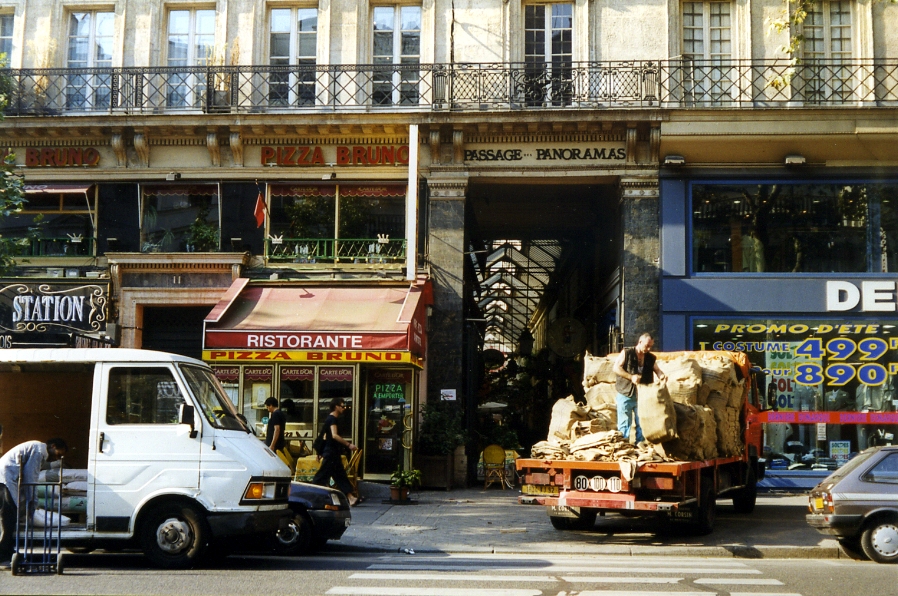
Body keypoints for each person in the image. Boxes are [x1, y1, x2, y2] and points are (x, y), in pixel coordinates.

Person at [0, 438, 68, 568]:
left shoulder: (36, 448)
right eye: (58, 454)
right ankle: (3, 556)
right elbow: (31, 477)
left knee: (10, 518)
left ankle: (8, 553)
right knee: (8, 519)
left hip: (6, 479)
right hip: (4, 479)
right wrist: (33, 502)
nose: (56, 459)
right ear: (53, 446)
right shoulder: (39, 451)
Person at [612, 333, 666, 444]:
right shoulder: (627, 353)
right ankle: (624, 444)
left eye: (650, 346)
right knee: (624, 422)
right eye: (647, 346)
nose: (648, 348)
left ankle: (639, 444)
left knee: (641, 421)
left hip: (642, 395)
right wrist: (630, 377)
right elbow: (616, 368)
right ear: (640, 342)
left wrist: (662, 376)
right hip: (625, 393)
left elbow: (658, 370)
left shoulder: (650, 358)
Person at [312, 398, 359, 506]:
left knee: (339, 475)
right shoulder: (332, 419)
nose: (344, 408)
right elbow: (334, 435)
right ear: (336, 406)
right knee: (322, 476)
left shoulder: (331, 419)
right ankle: (313, 495)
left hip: (331, 452)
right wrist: (348, 444)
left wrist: (320, 452)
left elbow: (325, 436)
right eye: (342, 406)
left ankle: (350, 497)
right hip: (331, 452)